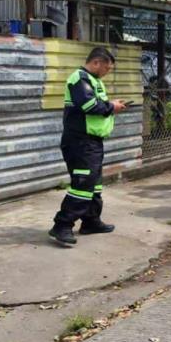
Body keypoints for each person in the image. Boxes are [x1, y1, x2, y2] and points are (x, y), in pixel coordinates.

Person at [49, 47, 128, 247]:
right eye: (107, 68)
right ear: (96, 63)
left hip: (92, 142)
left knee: (94, 183)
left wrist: (111, 103)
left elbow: (96, 103)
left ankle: (91, 221)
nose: (107, 72)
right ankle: (62, 224)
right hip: (80, 142)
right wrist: (112, 107)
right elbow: (89, 106)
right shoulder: (79, 79)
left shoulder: (94, 81)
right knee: (82, 184)